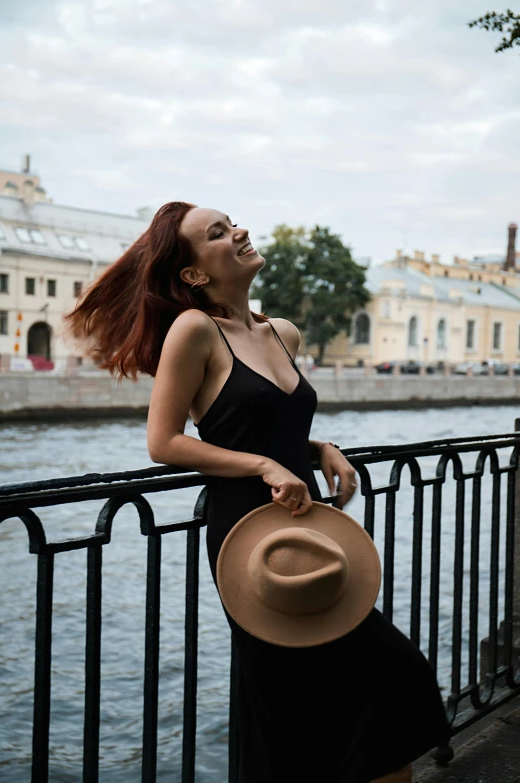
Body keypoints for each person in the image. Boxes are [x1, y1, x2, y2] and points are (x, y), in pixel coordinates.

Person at [64, 202, 451, 783]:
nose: (238, 231)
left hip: (303, 525)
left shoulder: (282, 332)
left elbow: (270, 421)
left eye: (232, 221)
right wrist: (265, 465)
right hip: (247, 535)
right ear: (194, 275)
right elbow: (164, 442)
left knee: (384, 683)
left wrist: (318, 449)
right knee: (298, 701)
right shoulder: (195, 330)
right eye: (217, 233)